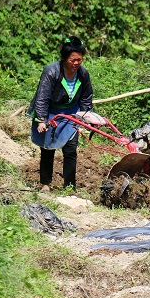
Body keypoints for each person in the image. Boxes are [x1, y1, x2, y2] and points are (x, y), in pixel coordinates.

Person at [28, 35, 95, 192]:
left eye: (79, 60)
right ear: (65, 58)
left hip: (71, 114)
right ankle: (45, 184)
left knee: (71, 150)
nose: (76, 63)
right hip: (51, 113)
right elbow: (42, 97)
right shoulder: (51, 72)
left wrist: (87, 118)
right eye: (73, 60)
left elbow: (86, 98)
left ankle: (69, 187)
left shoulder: (83, 74)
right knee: (47, 148)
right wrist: (41, 120)